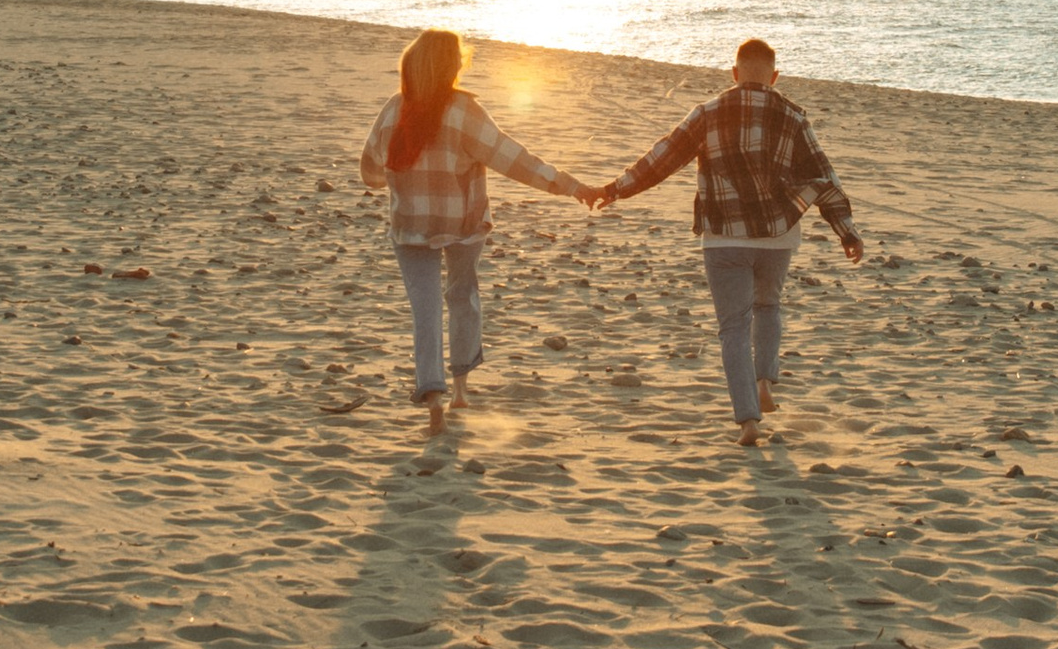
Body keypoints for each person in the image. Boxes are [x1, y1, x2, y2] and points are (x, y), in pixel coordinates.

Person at [591, 37, 863, 442]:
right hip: (778, 236)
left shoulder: (708, 112)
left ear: (734, 73)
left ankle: (748, 422)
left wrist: (615, 189)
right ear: (774, 76)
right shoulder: (793, 116)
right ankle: (765, 381)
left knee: (733, 328)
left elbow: (662, 158)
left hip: (724, 239)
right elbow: (823, 173)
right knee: (768, 304)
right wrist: (846, 230)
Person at [360, 29, 593, 435]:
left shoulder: (395, 108)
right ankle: (461, 389)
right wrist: (569, 185)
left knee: (426, 309)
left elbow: (370, 168)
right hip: (463, 224)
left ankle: (432, 396)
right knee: (462, 297)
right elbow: (514, 159)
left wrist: (393, 182)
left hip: (411, 225)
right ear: (453, 67)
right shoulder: (463, 111)